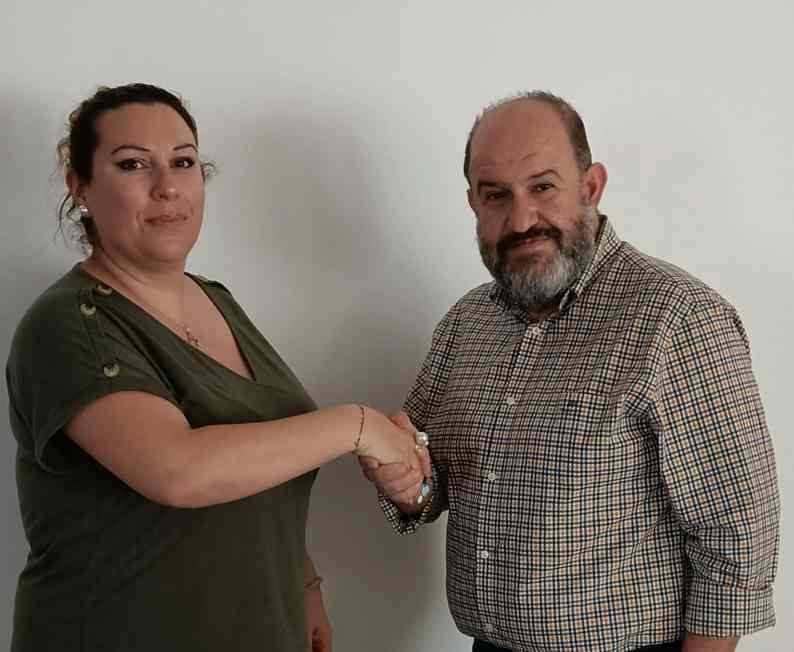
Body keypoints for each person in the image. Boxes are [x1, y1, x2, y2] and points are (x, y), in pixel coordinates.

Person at [6, 83, 428, 652]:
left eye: (183, 162)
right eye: (132, 164)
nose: (167, 186)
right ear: (79, 186)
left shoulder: (216, 299)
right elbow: (177, 470)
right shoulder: (68, 324)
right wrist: (357, 425)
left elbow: (260, 460)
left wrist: (302, 583)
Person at [361, 92, 780, 652]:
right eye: (496, 195)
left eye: (542, 187)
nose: (521, 220)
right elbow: (432, 476)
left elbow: (737, 535)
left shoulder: (677, 318)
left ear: (591, 186)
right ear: (473, 204)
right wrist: (409, 485)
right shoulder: (465, 323)